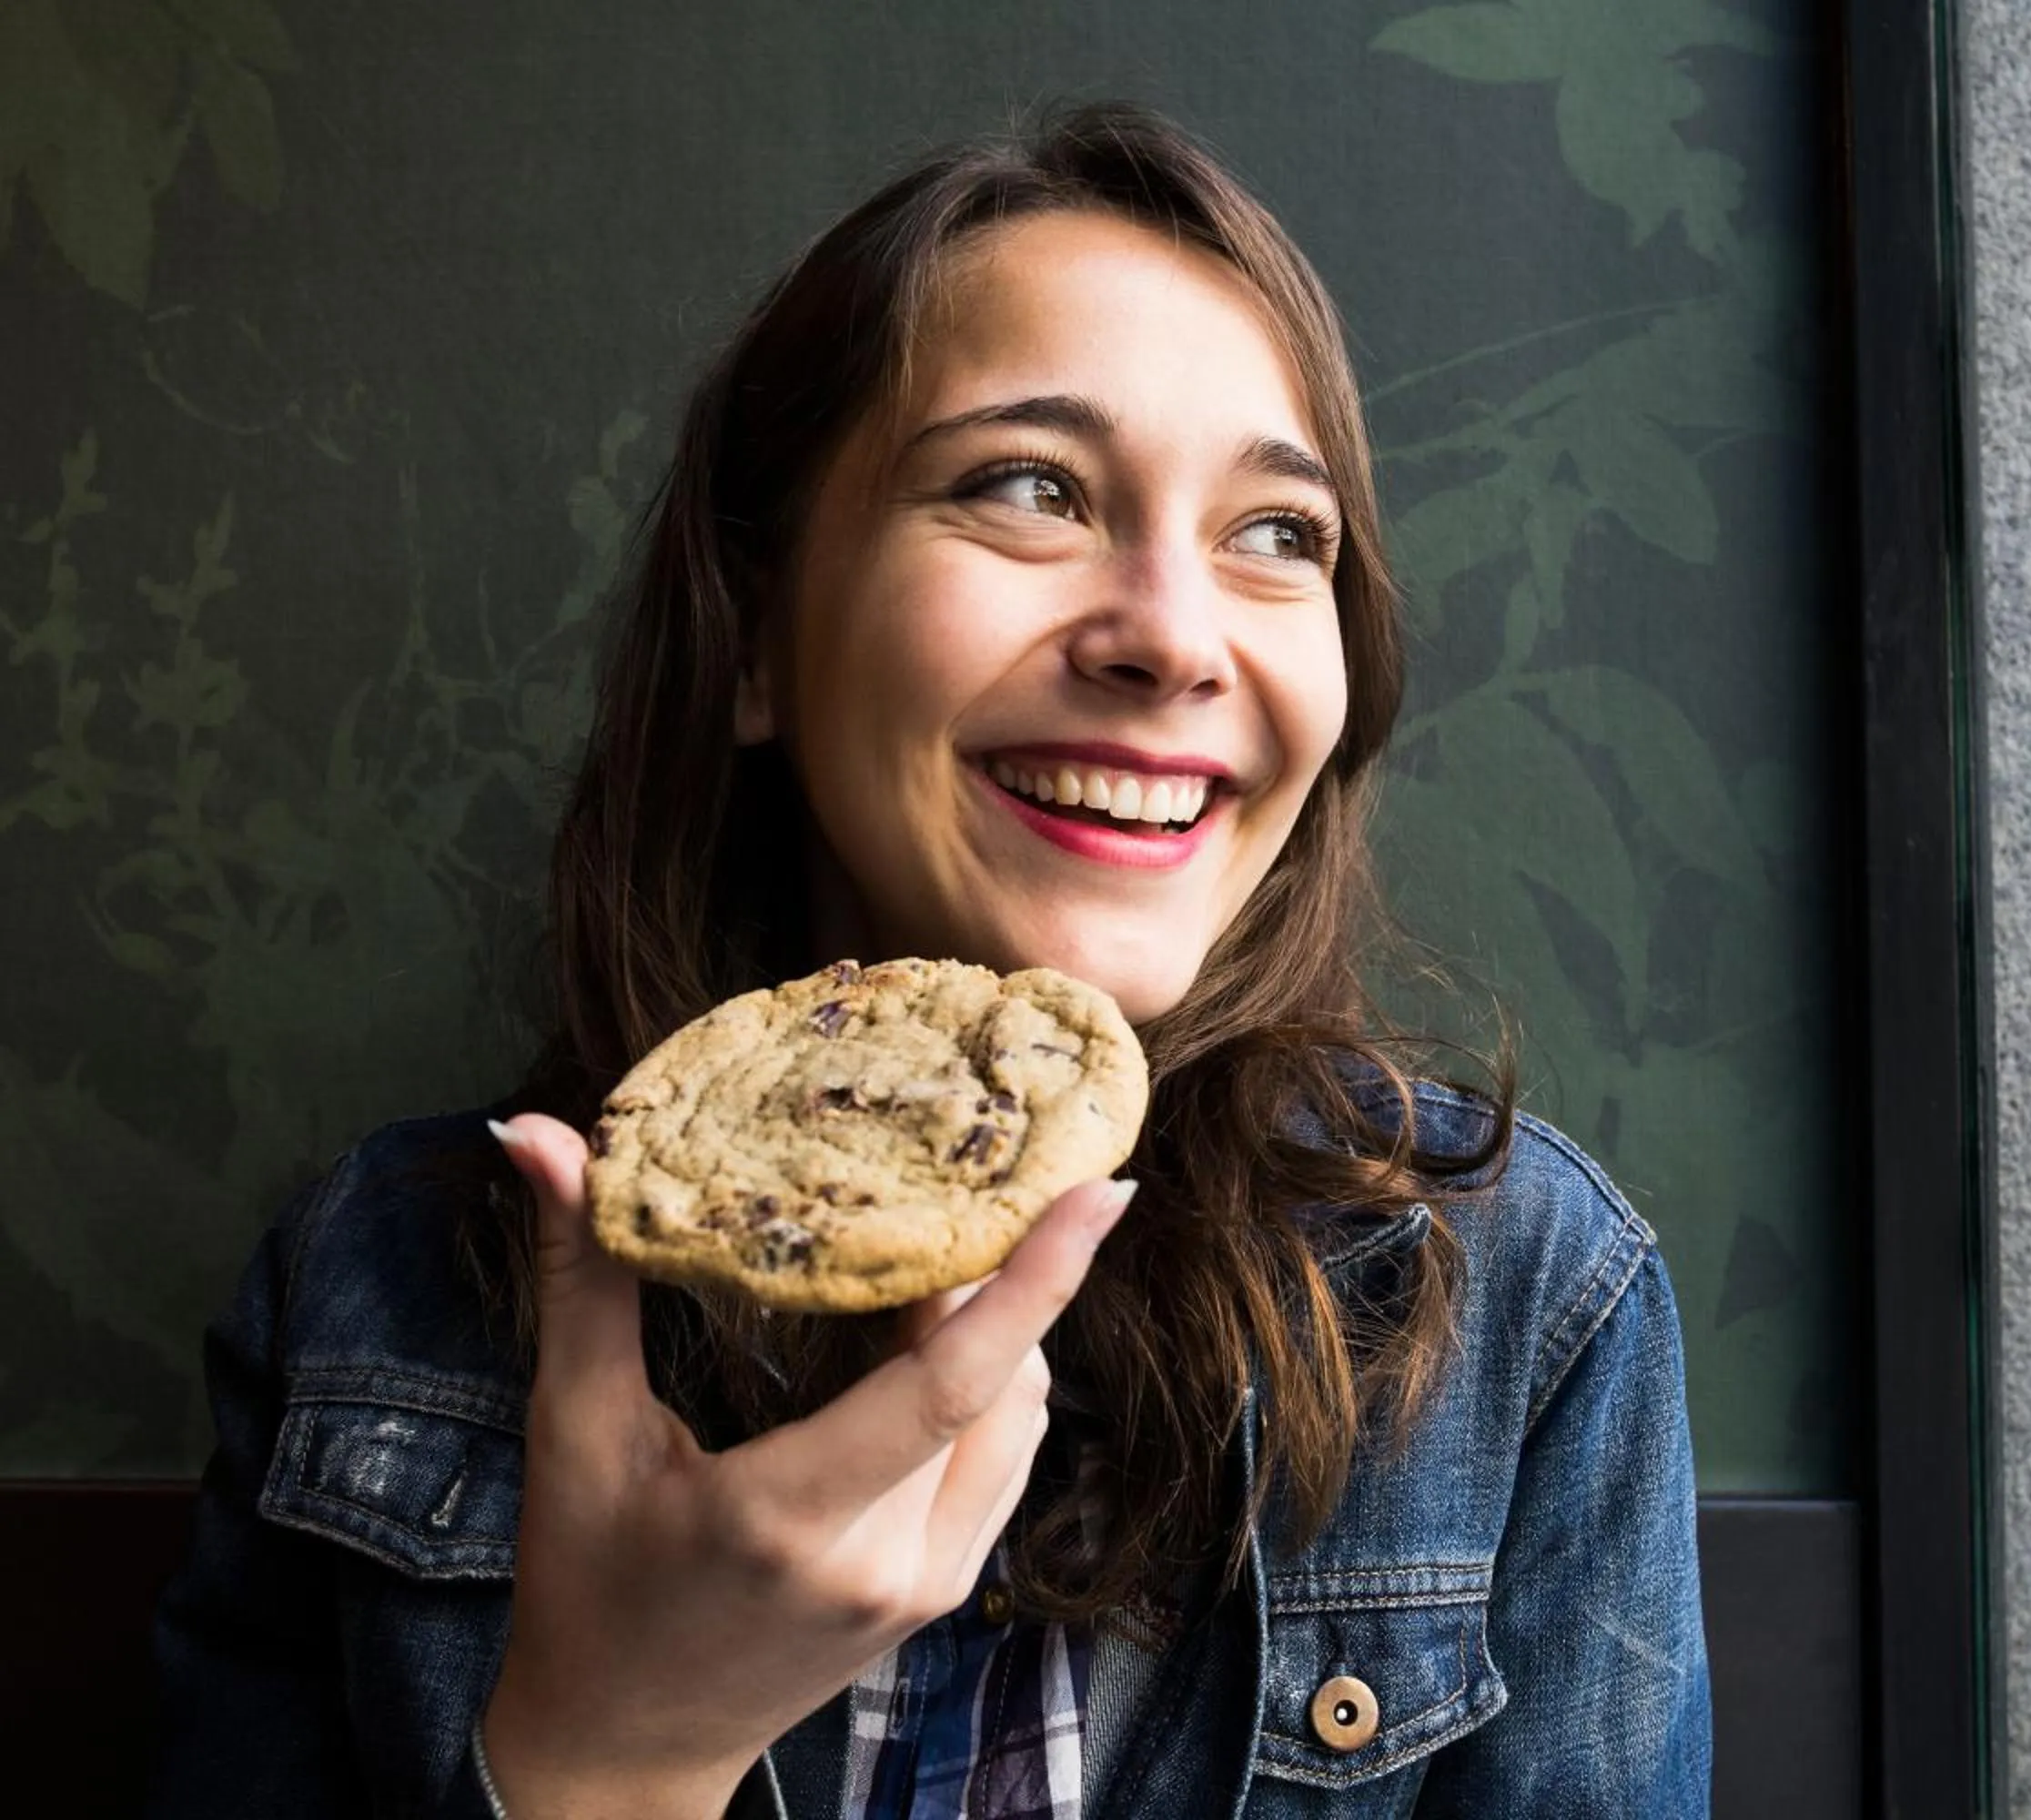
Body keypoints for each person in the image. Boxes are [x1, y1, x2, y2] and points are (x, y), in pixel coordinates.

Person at [146, 106, 1710, 1817]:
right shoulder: (382, 1293)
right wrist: (612, 1758)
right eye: (1029, 488)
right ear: (754, 637)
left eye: (1278, 533)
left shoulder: (1525, 1305)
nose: (1178, 639)